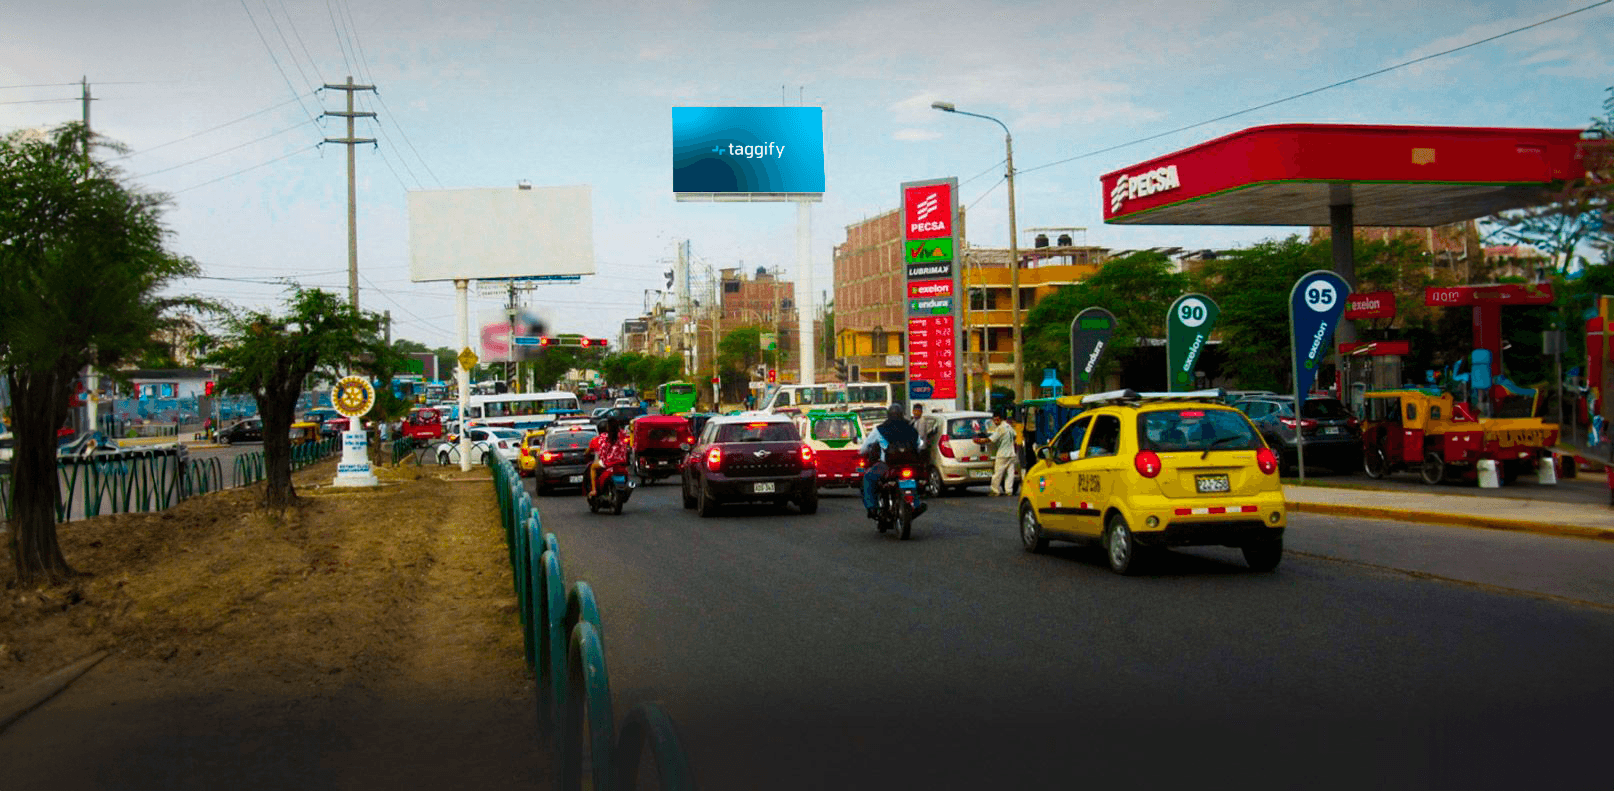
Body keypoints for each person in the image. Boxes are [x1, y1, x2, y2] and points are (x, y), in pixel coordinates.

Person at [860, 403, 927, 520]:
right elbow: (920, 445)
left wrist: (862, 452)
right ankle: (915, 505)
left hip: (888, 465)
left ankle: (872, 507)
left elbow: (864, 447)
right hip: (910, 464)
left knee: (868, 478)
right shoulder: (911, 429)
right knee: (913, 482)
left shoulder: (880, 429)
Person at [586, 418, 629, 498]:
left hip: (608, 462)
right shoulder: (623, 434)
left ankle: (594, 490)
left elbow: (598, 450)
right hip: (621, 462)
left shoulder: (602, 437)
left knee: (593, 467)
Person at [986, 413, 1020, 496]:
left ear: (1001, 419)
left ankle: (995, 490)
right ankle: (1009, 490)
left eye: (997, 420)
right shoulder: (1009, 426)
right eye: (994, 420)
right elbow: (1015, 435)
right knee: (1010, 473)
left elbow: (991, 439)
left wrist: (979, 441)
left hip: (1002, 454)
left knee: (998, 473)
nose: (995, 422)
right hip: (1011, 453)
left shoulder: (1000, 428)